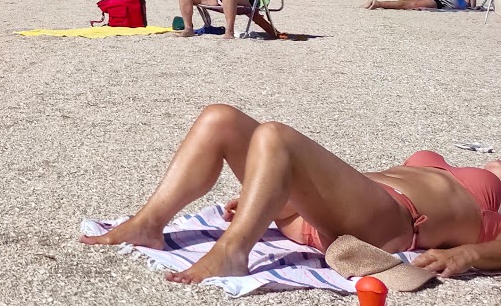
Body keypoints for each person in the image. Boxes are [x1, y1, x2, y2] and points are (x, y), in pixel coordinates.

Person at [81, 103, 501, 284]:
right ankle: (148, 224)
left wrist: (468, 255)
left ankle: (233, 251)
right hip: (328, 210)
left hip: (387, 225)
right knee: (220, 118)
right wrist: (270, 191)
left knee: (275, 136)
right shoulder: (463, 164)